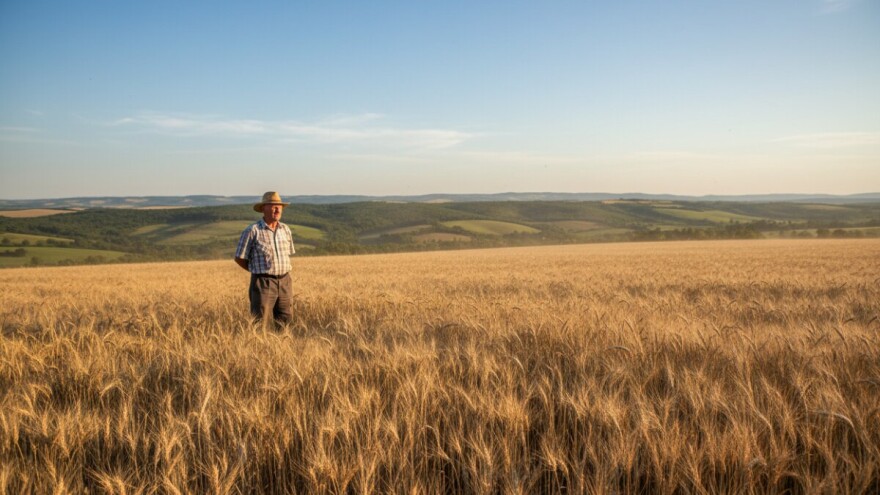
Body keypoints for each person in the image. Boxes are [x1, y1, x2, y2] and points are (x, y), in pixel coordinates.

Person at [234, 191, 296, 326]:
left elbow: (288, 254)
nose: (277, 208)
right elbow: (239, 258)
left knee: (286, 321)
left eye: (279, 206)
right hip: (263, 282)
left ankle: (283, 347)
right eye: (273, 205)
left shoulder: (285, 229)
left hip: (285, 281)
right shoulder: (252, 231)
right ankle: (260, 347)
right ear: (263, 209)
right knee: (261, 323)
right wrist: (257, 271)